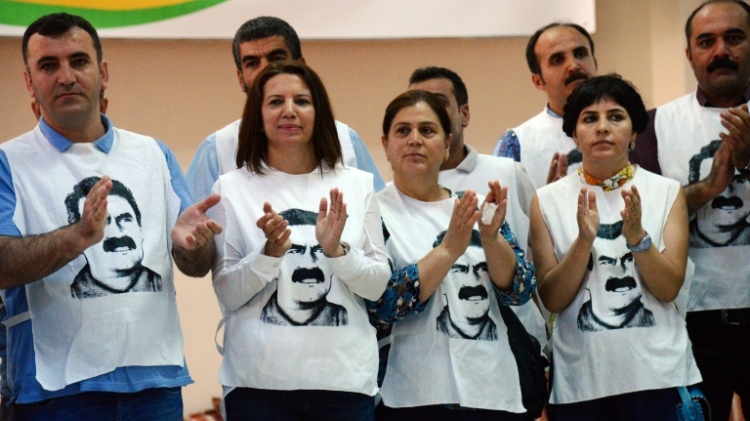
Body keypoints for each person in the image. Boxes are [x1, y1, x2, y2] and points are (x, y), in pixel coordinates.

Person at [0, 13, 221, 420]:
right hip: (53, 394)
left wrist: (195, 246)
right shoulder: (8, 162)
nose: (65, 76)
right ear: (29, 82)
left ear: (102, 72)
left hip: (156, 384)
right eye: (48, 65)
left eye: (78, 61)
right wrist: (79, 236)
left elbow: (194, 266)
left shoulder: (154, 154)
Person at [209, 61, 390, 421]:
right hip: (257, 388)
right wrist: (269, 254)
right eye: (275, 101)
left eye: (302, 101)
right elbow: (227, 293)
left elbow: (377, 286)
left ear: (318, 112)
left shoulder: (358, 184)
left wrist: (337, 251)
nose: (289, 110)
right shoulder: (231, 188)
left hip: (344, 385)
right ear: (257, 115)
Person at [530, 74, 701, 420]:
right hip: (581, 382)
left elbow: (668, 288)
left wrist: (638, 238)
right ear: (574, 134)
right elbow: (552, 299)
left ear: (635, 132)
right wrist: (583, 242)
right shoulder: (546, 200)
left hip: (659, 376)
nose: (603, 127)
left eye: (616, 117)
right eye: (590, 119)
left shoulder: (666, 191)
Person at [371, 89, 536, 419]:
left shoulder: (471, 207)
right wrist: (448, 250)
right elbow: (382, 303)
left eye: (427, 131)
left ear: (447, 144)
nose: (415, 140)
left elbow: (520, 290)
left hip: (491, 388)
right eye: (403, 131)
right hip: (413, 396)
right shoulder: (372, 212)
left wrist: (491, 240)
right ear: (386, 144)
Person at [630, 1, 750, 418]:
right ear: (689, 55)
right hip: (692, 320)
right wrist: (710, 187)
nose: (721, 50)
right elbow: (643, 219)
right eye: (706, 41)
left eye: (734, 38)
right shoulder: (655, 124)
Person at [407, 66, 547, 346]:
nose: (428, 113)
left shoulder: (507, 172)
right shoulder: (398, 193)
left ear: (464, 114)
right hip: (437, 341)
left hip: (518, 339)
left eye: (438, 102)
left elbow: (539, 257)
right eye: (417, 105)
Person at [187, 16, 384, 203]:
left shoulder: (347, 141)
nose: (265, 69)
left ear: (301, 66)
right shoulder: (216, 149)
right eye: (252, 63)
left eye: (277, 58)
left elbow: (379, 225)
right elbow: (193, 231)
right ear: (241, 78)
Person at [493, 23, 598, 189]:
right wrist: (546, 206)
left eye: (580, 54)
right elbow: (501, 212)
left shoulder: (633, 129)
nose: (573, 65)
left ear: (595, 63)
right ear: (538, 81)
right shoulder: (514, 144)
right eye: (557, 60)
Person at [259, 208, 349, 326]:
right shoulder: (260, 320)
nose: (309, 264)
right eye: (295, 250)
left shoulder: (342, 318)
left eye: (319, 250)